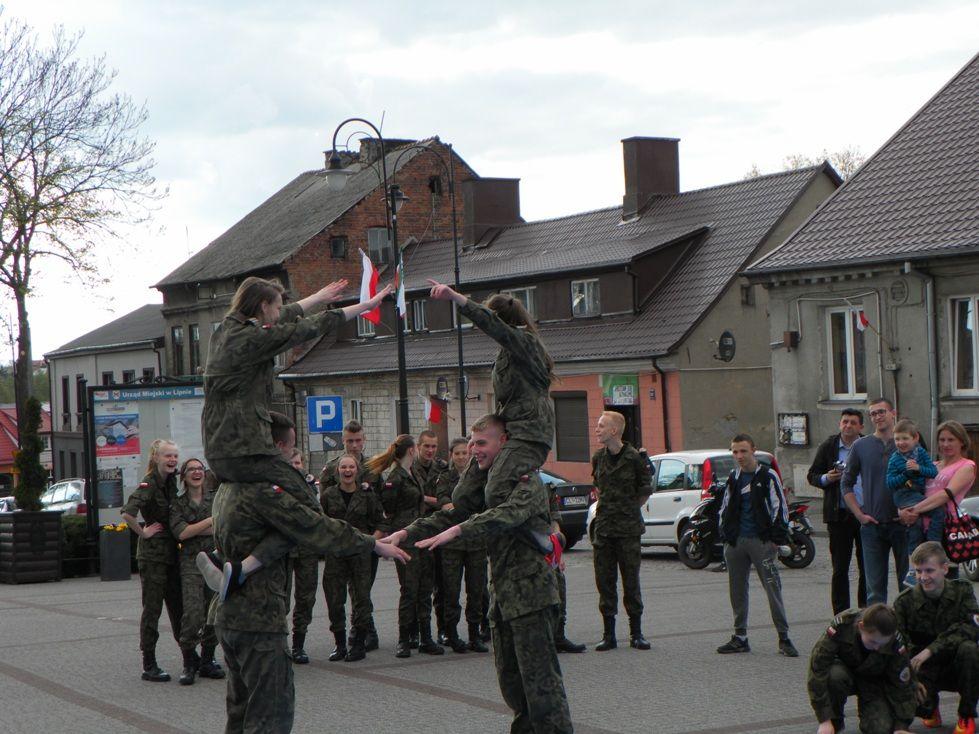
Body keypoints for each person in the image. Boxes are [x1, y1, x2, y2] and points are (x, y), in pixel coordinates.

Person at [380, 414, 573, 733]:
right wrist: (407, 533)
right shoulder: (485, 485)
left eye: (482, 443)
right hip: (502, 600)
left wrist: (459, 530)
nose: (473, 449)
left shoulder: (526, 479)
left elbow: (508, 515)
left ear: (504, 444)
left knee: (543, 693)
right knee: (514, 690)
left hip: (532, 600)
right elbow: (450, 514)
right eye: (471, 442)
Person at [201, 276, 391, 595]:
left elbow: (287, 316)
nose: (279, 311)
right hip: (247, 448)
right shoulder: (251, 340)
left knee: (254, 506)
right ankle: (242, 570)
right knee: (306, 512)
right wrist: (362, 307)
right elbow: (304, 328)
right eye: (275, 306)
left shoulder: (224, 331)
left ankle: (224, 560)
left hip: (219, 449)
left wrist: (318, 294)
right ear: (262, 307)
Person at [211, 436, 410, 732]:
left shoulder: (231, 484)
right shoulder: (266, 489)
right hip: (258, 616)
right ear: (277, 446)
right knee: (268, 716)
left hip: (231, 614)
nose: (292, 453)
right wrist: (373, 544)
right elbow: (315, 524)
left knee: (240, 712)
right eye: (290, 445)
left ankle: (231, 565)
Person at [427, 280, 556, 543]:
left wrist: (456, 298)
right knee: (462, 495)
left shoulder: (525, 344)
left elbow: (494, 326)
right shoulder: (506, 354)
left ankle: (538, 532)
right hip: (508, 431)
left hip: (529, 434)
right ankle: (487, 524)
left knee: (496, 489)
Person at [716, 433, 798, 657]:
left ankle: (783, 637)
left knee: (772, 588)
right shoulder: (734, 476)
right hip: (736, 542)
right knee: (737, 590)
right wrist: (725, 534)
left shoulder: (767, 475)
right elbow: (725, 506)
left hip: (761, 542)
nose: (739, 456)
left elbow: (779, 507)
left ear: (753, 450)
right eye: (734, 451)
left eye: (743, 451)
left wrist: (774, 539)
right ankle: (740, 636)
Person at [368, 434, 444, 657]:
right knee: (409, 590)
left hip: (421, 535)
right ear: (412, 450)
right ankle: (404, 639)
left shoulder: (413, 473)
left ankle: (425, 637)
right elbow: (388, 509)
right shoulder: (395, 476)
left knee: (424, 589)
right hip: (405, 539)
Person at [894, 541, 979, 734]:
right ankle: (929, 709)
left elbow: (972, 628)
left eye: (929, 571)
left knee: (970, 649)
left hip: (957, 666)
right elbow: (898, 645)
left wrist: (930, 650)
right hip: (925, 670)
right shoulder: (904, 602)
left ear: (944, 569)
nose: (923, 577)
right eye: (918, 571)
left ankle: (966, 715)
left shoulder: (962, 591)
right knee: (907, 672)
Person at [121, 439, 184, 682]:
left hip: (172, 554)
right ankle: (149, 662)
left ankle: (188, 654)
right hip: (153, 557)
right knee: (153, 609)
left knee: (178, 607)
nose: (172, 460)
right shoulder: (149, 484)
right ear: (156, 457)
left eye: (175, 456)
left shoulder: (171, 483)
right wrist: (143, 531)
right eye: (168, 456)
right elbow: (128, 512)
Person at [590, 410, 652, 651]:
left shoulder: (634, 458)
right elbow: (598, 487)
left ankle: (636, 633)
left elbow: (645, 489)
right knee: (604, 582)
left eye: (601, 425)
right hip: (604, 529)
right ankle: (609, 635)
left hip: (628, 530)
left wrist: (627, 508)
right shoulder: (598, 457)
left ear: (614, 431)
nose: (597, 429)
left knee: (631, 582)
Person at [319, 420, 383, 650]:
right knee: (340, 594)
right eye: (349, 441)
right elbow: (324, 503)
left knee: (362, 590)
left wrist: (377, 539)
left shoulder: (374, 466)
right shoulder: (331, 467)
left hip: (365, 540)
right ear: (343, 441)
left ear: (363, 440)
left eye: (358, 440)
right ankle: (358, 635)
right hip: (338, 544)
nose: (354, 445)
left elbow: (380, 503)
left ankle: (365, 631)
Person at [807, 603, 916, 734]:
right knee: (834, 676)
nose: (877, 648)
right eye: (873, 642)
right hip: (844, 674)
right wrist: (824, 719)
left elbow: (901, 685)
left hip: (874, 682)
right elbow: (817, 670)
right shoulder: (842, 626)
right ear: (861, 626)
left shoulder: (896, 641)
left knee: (880, 730)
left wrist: (901, 726)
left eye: (882, 644)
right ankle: (834, 722)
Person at [842, 397, 905, 605]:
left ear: (892, 413)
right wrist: (859, 514)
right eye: (873, 414)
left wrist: (914, 510)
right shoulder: (861, 445)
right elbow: (846, 483)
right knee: (875, 591)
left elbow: (924, 477)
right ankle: (878, 634)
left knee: (909, 586)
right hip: (872, 527)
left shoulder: (908, 441)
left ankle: (909, 634)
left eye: (881, 412)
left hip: (903, 525)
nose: (877, 416)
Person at [169, 457, 225, 686]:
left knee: (214, 613)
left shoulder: (215, 499)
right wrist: (209, 523)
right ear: (183, 476)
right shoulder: (178, 504)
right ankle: (189, 661)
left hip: (214, 561)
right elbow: (181, 533)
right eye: (191, 469)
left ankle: (208, 659)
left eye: (200, 469)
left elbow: (221, 528)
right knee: (192, 613)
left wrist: (197, 528)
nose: (196, 473)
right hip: (191, 563)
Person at [807, 408, 867, 614]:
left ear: (861, 427)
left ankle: (865, 612)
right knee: (840, 569)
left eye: (852, 422)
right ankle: (841, 615)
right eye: (844, 422)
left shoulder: (868, 446)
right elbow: (812, 475)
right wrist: (827, 478)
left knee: (866, 567)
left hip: (865, 515)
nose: (848, 426)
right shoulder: (829, 446)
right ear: (840, 424)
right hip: (839, 515)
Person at [435, 437, 489, 653]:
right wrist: (460, 507)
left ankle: (475, 634)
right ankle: (452, 634)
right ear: (451, 455)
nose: (461, 457)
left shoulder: (479, 477)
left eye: (464, 453)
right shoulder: (445, 477)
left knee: (477, 590)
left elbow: (485, 503)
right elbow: (445, 503)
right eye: (457, 453)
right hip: (452, 544)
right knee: (451, 590)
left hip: (476, 542)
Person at [899, 420, 978, 559]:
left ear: (962, 442)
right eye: (942, 440)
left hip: (944, 528)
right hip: (919, 526)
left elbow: (945, 495)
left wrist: (914, 509)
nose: (945, 444)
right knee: (920, 576)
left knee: (941, 575)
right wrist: (902, 509)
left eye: (951, 440)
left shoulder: (966, 466)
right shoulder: (932, 466)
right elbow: (912, 491)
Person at [887, 419, 940, 576]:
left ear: (915, 438)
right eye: (897, 439)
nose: (901, 443)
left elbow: (933, 472)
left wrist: (919, 468)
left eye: (905, 438)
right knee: (937, 510)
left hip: (918, 493)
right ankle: (933, 546)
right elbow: (889, 483)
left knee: (915, 525)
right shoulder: (895, 459)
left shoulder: (921, 453)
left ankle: (915, 564)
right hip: (903, 494)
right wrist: (905, 475)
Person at [286, 446, 322, 664]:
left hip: (307, 548)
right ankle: (279, 644)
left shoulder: (310, 487)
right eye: (291, 464)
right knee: (281, 597)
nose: (295, 467)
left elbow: (317, 513)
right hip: (284, 549)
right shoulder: (275, 487)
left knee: (306, 596)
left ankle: (299, 644)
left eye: (298, 463)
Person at [545, 468, 586, 655]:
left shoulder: (547, 487)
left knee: (560, 589)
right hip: (530, 548)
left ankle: (559, 637)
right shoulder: (516, 483)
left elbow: (554, 518)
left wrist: (557, 548)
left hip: (548, 546)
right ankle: (544, 639)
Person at [414, 429, 448, 643]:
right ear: (418, 447)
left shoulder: (442, 468)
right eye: (426, 446)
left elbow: (447, 496)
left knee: (442, 584)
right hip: (418, 531)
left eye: (433, 446)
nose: (430, 450)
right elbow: (414, 497)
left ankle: (443, 629)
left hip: (440, 531)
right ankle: (416, 631)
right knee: (419, 586)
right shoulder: (410, 468)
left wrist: (428, 499)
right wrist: (433, 500)